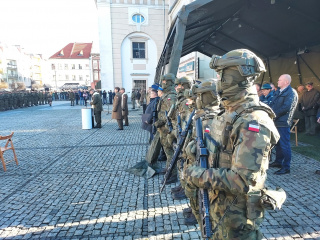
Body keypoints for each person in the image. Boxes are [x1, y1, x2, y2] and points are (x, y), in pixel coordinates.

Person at [184, 49, 280, 239]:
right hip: (218, 209)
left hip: (236, 220)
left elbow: (244, 180)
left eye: (223, 75)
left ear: (240, 76)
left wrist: (197, 175)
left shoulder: (253, 121)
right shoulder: (228, 114)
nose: (219, 80)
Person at [269, 74, 298, 175]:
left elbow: (286, 108)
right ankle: (278, 162)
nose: (278, 81)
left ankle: (286, 167)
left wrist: (273, 115)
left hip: (283, 122)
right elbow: (273, 103)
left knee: (285, 145)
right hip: (276, 121)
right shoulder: (278, 91)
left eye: (280, 80)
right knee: (278, 144)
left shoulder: (291, 93)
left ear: (286, 82)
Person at [154, 73, 177, 184]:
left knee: (170, 151)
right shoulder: (166, 94)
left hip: (168, 128)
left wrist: (160, 121)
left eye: (164, 82)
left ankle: (172, 174)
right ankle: (168, 168)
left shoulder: (171, 96)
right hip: (163, 128)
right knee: (167, 151)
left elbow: (170, 113)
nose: (163, 84)